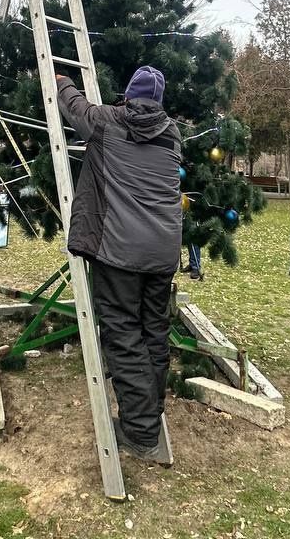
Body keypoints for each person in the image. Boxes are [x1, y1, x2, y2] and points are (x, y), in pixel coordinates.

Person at [56, 65, 181, 467]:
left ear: (126, 96)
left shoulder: (107, 122)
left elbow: (75, 108)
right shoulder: (172, 134)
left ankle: (141, 432)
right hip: (162, 253)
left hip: (121, 250)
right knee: (153, 332)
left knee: (123, 333)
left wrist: (62, 83)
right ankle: (149, 413)